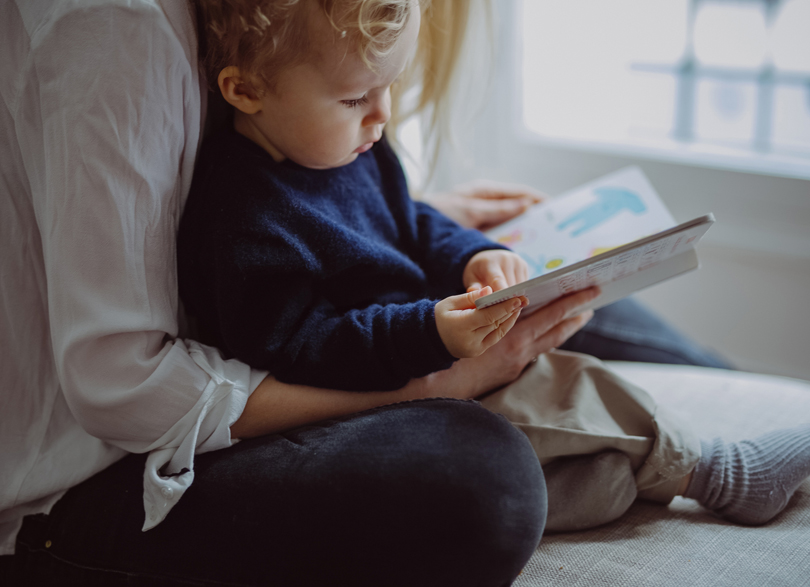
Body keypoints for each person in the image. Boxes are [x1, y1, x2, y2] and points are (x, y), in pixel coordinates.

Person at [2, 1, 806, 586]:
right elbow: (307, 344)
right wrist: (434, 352)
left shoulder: (351, 143)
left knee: (567, 295)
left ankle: (633, 465)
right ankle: (716, 471)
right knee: (525, 407)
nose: (383, 119)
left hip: (410, 325)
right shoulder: (243, 217)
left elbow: (414, 221)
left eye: (387, 92)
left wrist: (478, 256)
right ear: (243, 92)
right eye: (358, 101)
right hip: (353, 365)